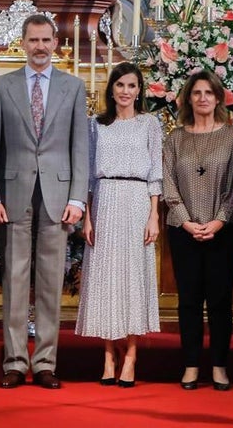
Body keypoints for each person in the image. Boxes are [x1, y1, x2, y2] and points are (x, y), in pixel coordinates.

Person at [0, 14, 88, 390]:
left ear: (56, 43)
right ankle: (14, 361)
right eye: (34, 40)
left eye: (46, 40)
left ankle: (45, 362)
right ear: (23, 43)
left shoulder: (73, 87)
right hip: (13, 192)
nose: (40, 46)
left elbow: (80, 146)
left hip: (58, 195)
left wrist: (77, 197)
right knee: (14, 279)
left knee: (50, 281)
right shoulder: (1, 86)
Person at [75, 62, 161, 388]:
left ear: (139, 91)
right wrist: (87, 215)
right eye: (120, 85)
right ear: (111, 89)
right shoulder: (95, 125)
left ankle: (132, 355)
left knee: (133, 277)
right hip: (105, 200)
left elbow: (156, 173)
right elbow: (87, 174)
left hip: (137, 201)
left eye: (132, 85)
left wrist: (154, 215)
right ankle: (109, 354)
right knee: (106, 278)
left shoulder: (149, 123)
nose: (126, 91)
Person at [162, 70, 233, 391]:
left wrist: (219, 220)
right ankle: (191, 364)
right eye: (196, 93)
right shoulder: (175, 138)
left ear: (218, 97)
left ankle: (220, 366)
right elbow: (168, 182)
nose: (202, 98)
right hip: (183, 229)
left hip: (223, 230)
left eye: (209, 92)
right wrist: (186, 221)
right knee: (189, 300)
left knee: (220, 299)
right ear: (188, 99)